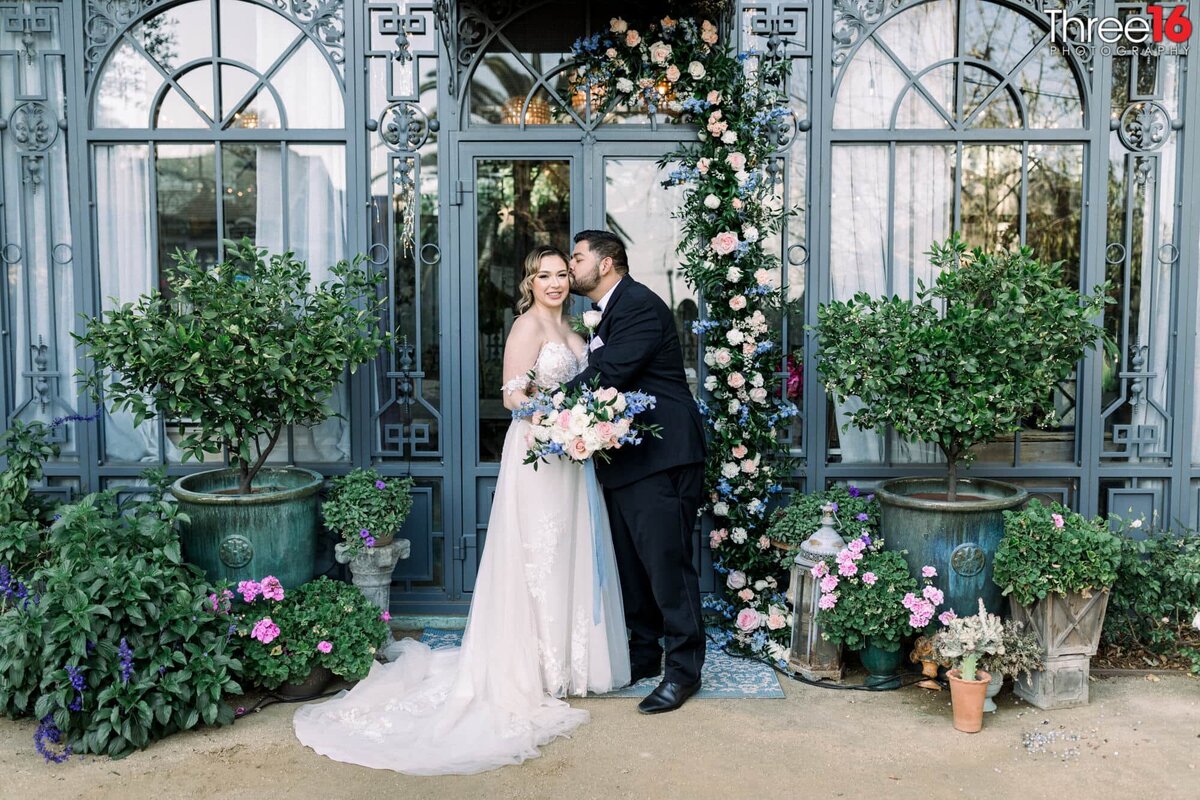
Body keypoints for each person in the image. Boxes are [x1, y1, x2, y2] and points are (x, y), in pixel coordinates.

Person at [293, 245, 630, 774]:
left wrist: (586, 422)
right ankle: (533, 667)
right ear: (530, 281)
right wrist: (559, 417)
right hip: (539, 451)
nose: (556, 283)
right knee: (537, 551)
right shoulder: (525, 329)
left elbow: (586, 387)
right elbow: (514, 395)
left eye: (563, 274)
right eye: (544, 275)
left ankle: (569, 664)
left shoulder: (578, 332)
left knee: (569, 549)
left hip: (573, 454)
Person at [567, 230, 707, 714]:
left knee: (668, 568)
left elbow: (611, 374)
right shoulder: (608, 310)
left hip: (663, 457)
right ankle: (646, 653)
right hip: (627, 459)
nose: (571, 265)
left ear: (606, 264)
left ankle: (684, 672)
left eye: (578, 257)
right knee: (632, 565)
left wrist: (550, 408)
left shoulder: (639, 305)